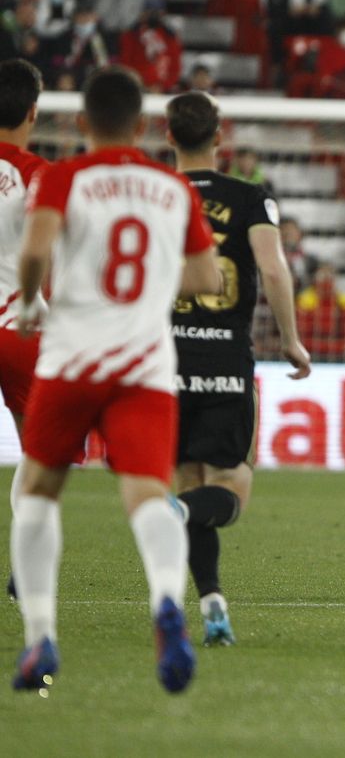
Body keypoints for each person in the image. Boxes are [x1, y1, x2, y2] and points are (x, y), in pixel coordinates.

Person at [10, 65, 223, 694]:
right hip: (145, 368)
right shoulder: (172, 188)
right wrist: (155, 285)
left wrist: (28, 301)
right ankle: (166, 600)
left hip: (73, 358)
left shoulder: (65, 177)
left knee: (39, 492)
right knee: (148, 497)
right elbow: (209, 279)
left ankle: (40, 637)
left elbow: (35, 249)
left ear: (81, 123)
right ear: (142, 126)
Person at [164, 92, 312, 648]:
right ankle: (169, 514)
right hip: (226, 359)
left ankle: (212, 604)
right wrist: (291, 341)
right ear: (218, 137)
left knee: (188, 483)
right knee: (229, 491)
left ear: (169, 135)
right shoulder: (251, 197)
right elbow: (273, 270)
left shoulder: (155, 194)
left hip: (165, 358)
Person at [0, 61, 46, 602]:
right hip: (20, 326)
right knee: (40, 450)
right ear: (33, 111)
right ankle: (24, 565)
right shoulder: (39, 174)